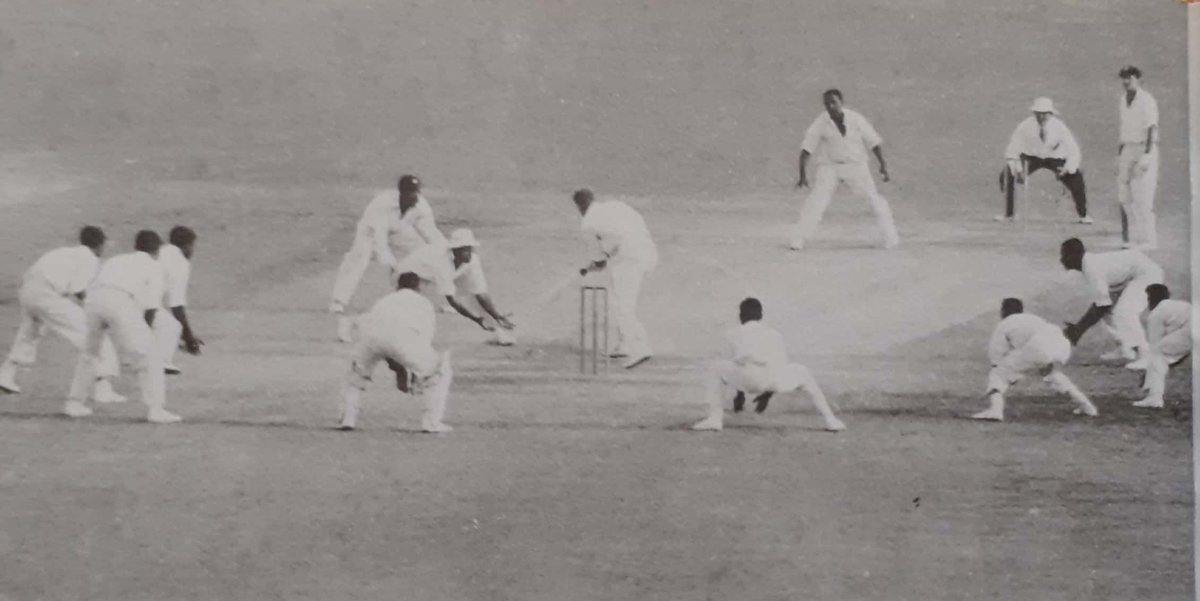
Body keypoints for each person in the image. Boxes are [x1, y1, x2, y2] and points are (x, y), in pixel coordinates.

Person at [64, 230, 180, 423]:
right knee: (151, 355)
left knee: (90, 354)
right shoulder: (155, 266)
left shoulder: (116, 260)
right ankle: (156, 410)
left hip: (93, 300)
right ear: (156, 250)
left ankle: (74, 404)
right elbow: (151, 308)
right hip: (118, 300)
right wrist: (145, 336)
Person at [0, 226, 124, 403]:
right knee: (94, 335)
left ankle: (6, 375)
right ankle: (103, 389)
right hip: (48, 295)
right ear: (98, 245)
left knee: (29, 334)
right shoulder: (89, 258)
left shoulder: (65, 252)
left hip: (28, 292)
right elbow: (79, 290)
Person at [692, 298, 845, 432]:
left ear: (741, 316)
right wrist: (767, 394)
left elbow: (736, 364)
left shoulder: (732, 333)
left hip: (745, 380)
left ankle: (714, 419)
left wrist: (739, 394)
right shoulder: (774, 334)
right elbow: (780, 367)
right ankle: (831, 420)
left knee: (716, 368)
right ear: (760, 316)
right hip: (772, 381)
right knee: (803, 371)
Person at [329, 175, 447, 341]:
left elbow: (431, 234)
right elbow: (380, 241)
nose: (415, 196)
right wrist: (393, 265)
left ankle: (446, 296)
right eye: (411, 192)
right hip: (370, 232)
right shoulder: (382, 205)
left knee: (426, 253)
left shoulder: (422, 207)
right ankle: (338, 301)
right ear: (401, 192)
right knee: (359, 257)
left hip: (400, 231)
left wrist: (445, 252)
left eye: (417, 192)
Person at [336, 272, 453, 433]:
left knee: (354, 377)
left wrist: (399, 370)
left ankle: (347, 419)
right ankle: (432, 423)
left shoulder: (385, 300)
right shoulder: (424, 303)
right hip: (401, 339)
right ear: (419, 287)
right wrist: (411, 375)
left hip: (369, 337)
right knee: (438, 371)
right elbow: (418, 343)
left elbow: (384, 339)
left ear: (398, 286)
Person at [791, 88, 899, 250]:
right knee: (816, 201)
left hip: (856, 165)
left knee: (873, 199)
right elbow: (806, 149)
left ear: (841, 102)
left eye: (833, 102)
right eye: (827, 104)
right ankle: (799, 239)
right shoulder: (820, 122)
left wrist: (882, 165)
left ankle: (890, 237)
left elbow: (874, 142)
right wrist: (802, 175)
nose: (830, 107)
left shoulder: (856, 119)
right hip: (830, 166)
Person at [972, 298, 1097, 422]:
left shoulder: (1004, 324)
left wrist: (1005, 374)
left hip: (1038, 346)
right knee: (1052, 374)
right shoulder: (1033, 318)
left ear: (1003, 311)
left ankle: (995, 410)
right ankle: (1087, 406)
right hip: (1061, 344)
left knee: (998, 374)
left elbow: (996, 353)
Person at [573, 189, 657, 369]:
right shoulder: (616, 206)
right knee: (617, 298)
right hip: (648, 252)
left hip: (628, 260)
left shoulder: (588, 224)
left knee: (622, 306)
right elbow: (633, 225)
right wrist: (604, 257)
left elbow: (601, 261)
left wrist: (594, 263)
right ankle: (623, 344)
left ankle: (640, 348)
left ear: (580, 206)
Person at [392, 228, 516, 345]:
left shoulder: (472, 260)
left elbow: (480, 293)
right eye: (464, 249)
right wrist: (476, 319)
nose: (469, 253)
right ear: (454, 251)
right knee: (413, 304)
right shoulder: (441, 265)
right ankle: (402, 337)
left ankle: (499, 333)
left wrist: (497, 315)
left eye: (470, 248)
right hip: (411, 272)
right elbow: (453, 301)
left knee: (474, 297)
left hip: (445, 271)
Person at [1059, 238, 1163, 365]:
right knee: (1109, 312)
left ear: (1075, 256)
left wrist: (1078, 330)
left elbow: (1101, 306)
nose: (1062, 260)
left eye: (1065, 255)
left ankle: (1146, 355)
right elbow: (1102, 305)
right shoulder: (1088, 265)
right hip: (1129, 277)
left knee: (1124, 311)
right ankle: (1125, 348)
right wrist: (1077, 329)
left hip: (1147, 275)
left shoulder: (1092, 269)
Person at [997, 97, 1091, 223]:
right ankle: (1009, 215)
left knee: (1076, 179)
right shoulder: (1025, 126)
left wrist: (1067, 169)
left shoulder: (1059, 127)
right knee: (1006, 175)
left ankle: (1083, 216)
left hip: (1055, 158)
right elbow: (1012, 148)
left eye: (1045, 113)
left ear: (1051, 114)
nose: (1041, 117)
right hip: (1031, 157)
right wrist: (1018, 170)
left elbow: (1074, 151)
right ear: (1034, 113)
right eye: (1038, 113)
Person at [1116, 66, 1160, 250]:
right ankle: (1130, 238)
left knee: (1143, 196)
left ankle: (1149, 240)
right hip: (1128, 149)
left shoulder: (1147, 100)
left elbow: (1152, 128)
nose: (1127, 82)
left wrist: (1147, 155)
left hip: (1144, 148)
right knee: (1124, 196)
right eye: (1124, 78)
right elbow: (1124, 128)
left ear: (1138, 80)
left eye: (1131, 78)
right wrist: (1120, 153)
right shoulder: (1123, 99)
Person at [1129, 284, 1190, 408]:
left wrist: (1148, 371)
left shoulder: (1156, 315)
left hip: (1190, 332)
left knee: (1157, 355)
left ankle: (1154, 398)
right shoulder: (1181, 304)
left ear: (1151, 299)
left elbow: (1155, 346)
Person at [154, 226, 204, 375]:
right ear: (187, 246)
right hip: (141, 301)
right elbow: (177, 306)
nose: (193, 251)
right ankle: (162, 362)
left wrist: (186, 336)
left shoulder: (161, 251)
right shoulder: (180, 262)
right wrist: (189, 339)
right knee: (172, 325)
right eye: (192, 246)